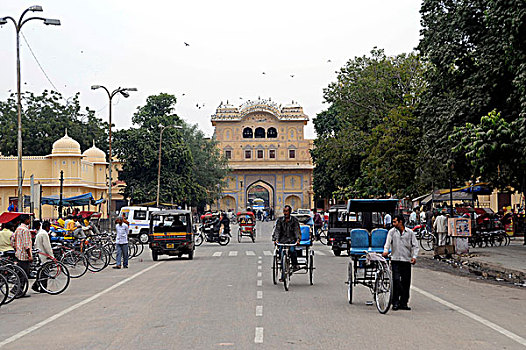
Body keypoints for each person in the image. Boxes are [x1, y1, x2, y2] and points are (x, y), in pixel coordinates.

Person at [383, 214, 419, 311]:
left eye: (395, 222)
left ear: (400, 222)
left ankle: (403, 303)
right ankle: (395, 302)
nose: (393, 223)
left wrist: (414, 257)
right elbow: (388, 242)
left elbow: (415, 246)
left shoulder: (410, 233)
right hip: (395, 260)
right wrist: (386, 251)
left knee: (406, 282)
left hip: (406, 260)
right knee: (396, 280)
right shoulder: (392, 232)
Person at [272, 205, 301, 281]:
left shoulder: (294, 220)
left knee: (292, 251)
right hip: (283, 240)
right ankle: (283, 276)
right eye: (284, 211)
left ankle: (295, 265)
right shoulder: (280, 220)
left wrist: (298, 239)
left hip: (291, 240)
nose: (285, 213)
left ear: (290, 212)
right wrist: (276, 239)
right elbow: (277, 230)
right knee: (282, 256)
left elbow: (296, 230)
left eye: (286, 211)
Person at [11, 214, 33, 297]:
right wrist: (30, 256)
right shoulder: (25, 230)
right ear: (26, 220)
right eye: (28, 219)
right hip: (24, 255)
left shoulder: (17, 229)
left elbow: (12, 241)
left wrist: (16, 249)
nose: (29, 221)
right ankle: (18, 290)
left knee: (20, 273)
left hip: (18, 254)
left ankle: (16, 289)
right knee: (24, 274)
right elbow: (26, 245)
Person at [32, 221, 54, 293]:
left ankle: (37, 285)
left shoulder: (40, 233)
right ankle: (43, 287)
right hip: (44, 255)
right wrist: (51, 256)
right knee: (45, 271)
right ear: (47, 227)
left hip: (40, 254)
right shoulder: (44, 234)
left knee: (42, 271)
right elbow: (47, 246)